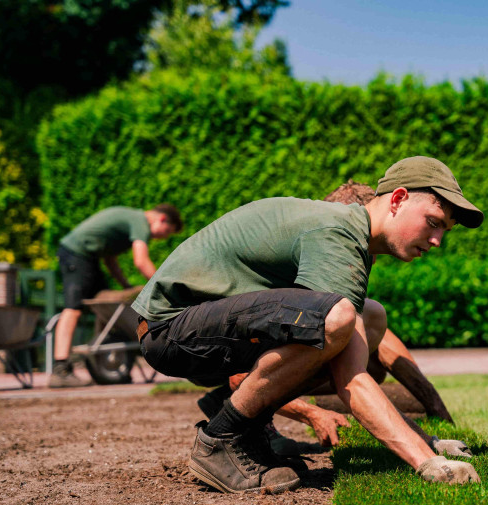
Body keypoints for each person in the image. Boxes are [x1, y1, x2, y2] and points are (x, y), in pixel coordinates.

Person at [133, 156, 484, 494]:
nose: (438, 240)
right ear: (398, 199)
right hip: (170, 328)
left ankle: (246, 433)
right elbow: (351, 379)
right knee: (339, 317)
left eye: (445, 230)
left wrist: (429, 442)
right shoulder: (338, 233)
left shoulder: (350, 237)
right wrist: (428, 461)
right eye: (434, 222)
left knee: (369, 316)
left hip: (195, 329)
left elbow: (348, 362)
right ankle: (220, 440)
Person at [195, 180, 458, 456]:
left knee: (367, 349)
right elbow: (242, 376)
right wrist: (312, 414)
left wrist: (436, 415)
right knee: (339, 348)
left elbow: (385, 345)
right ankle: (239, 422)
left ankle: (225, 404)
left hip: (231, 349)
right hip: (204, 347)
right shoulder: (315, 254)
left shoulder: (346, 254)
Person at [50, 204, 183, 388]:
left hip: (87, 257)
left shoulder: (128, 222)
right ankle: (61, 369)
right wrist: (162, 286)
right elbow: (141, 261)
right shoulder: (140, 222)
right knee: (73, 309)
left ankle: (104, 363)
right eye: (166, 231)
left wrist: (126, 287)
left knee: (105, 302)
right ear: (161, 219)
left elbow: (110, 260)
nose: (162, 237)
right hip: (77, 255)